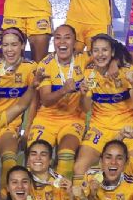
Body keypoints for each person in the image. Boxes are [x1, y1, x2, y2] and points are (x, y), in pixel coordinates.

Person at [75, 35, 133, 183]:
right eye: (96, 51)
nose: (100, 55)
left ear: (112, 53)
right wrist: (84, 94)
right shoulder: (88, 73)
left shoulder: (127, 70)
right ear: (91, 54)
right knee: (79, 167)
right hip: (99, 129)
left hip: (127, 126)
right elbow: (85, 109)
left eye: (104, 50)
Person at [30, 25, 89, 179]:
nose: (62, 42)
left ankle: (61, 199)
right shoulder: (45, 64)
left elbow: (109, 50)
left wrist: (115, 63)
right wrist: (64, 90)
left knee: (66, 158)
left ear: (74, 42)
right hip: (46, 119)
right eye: (57, 38)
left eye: (67, 37)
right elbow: (45, 100)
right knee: (36, 159)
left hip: (73, 119)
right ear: (53, 41)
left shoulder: (83, 59)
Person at [0, 27, 37, 184]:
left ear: (22, 45)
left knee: (9, 161)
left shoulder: (30, 67)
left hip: (9, 124)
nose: (9, 50)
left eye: (14, 45)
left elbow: (33, 101)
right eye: (5, 45)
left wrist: (27, 131)